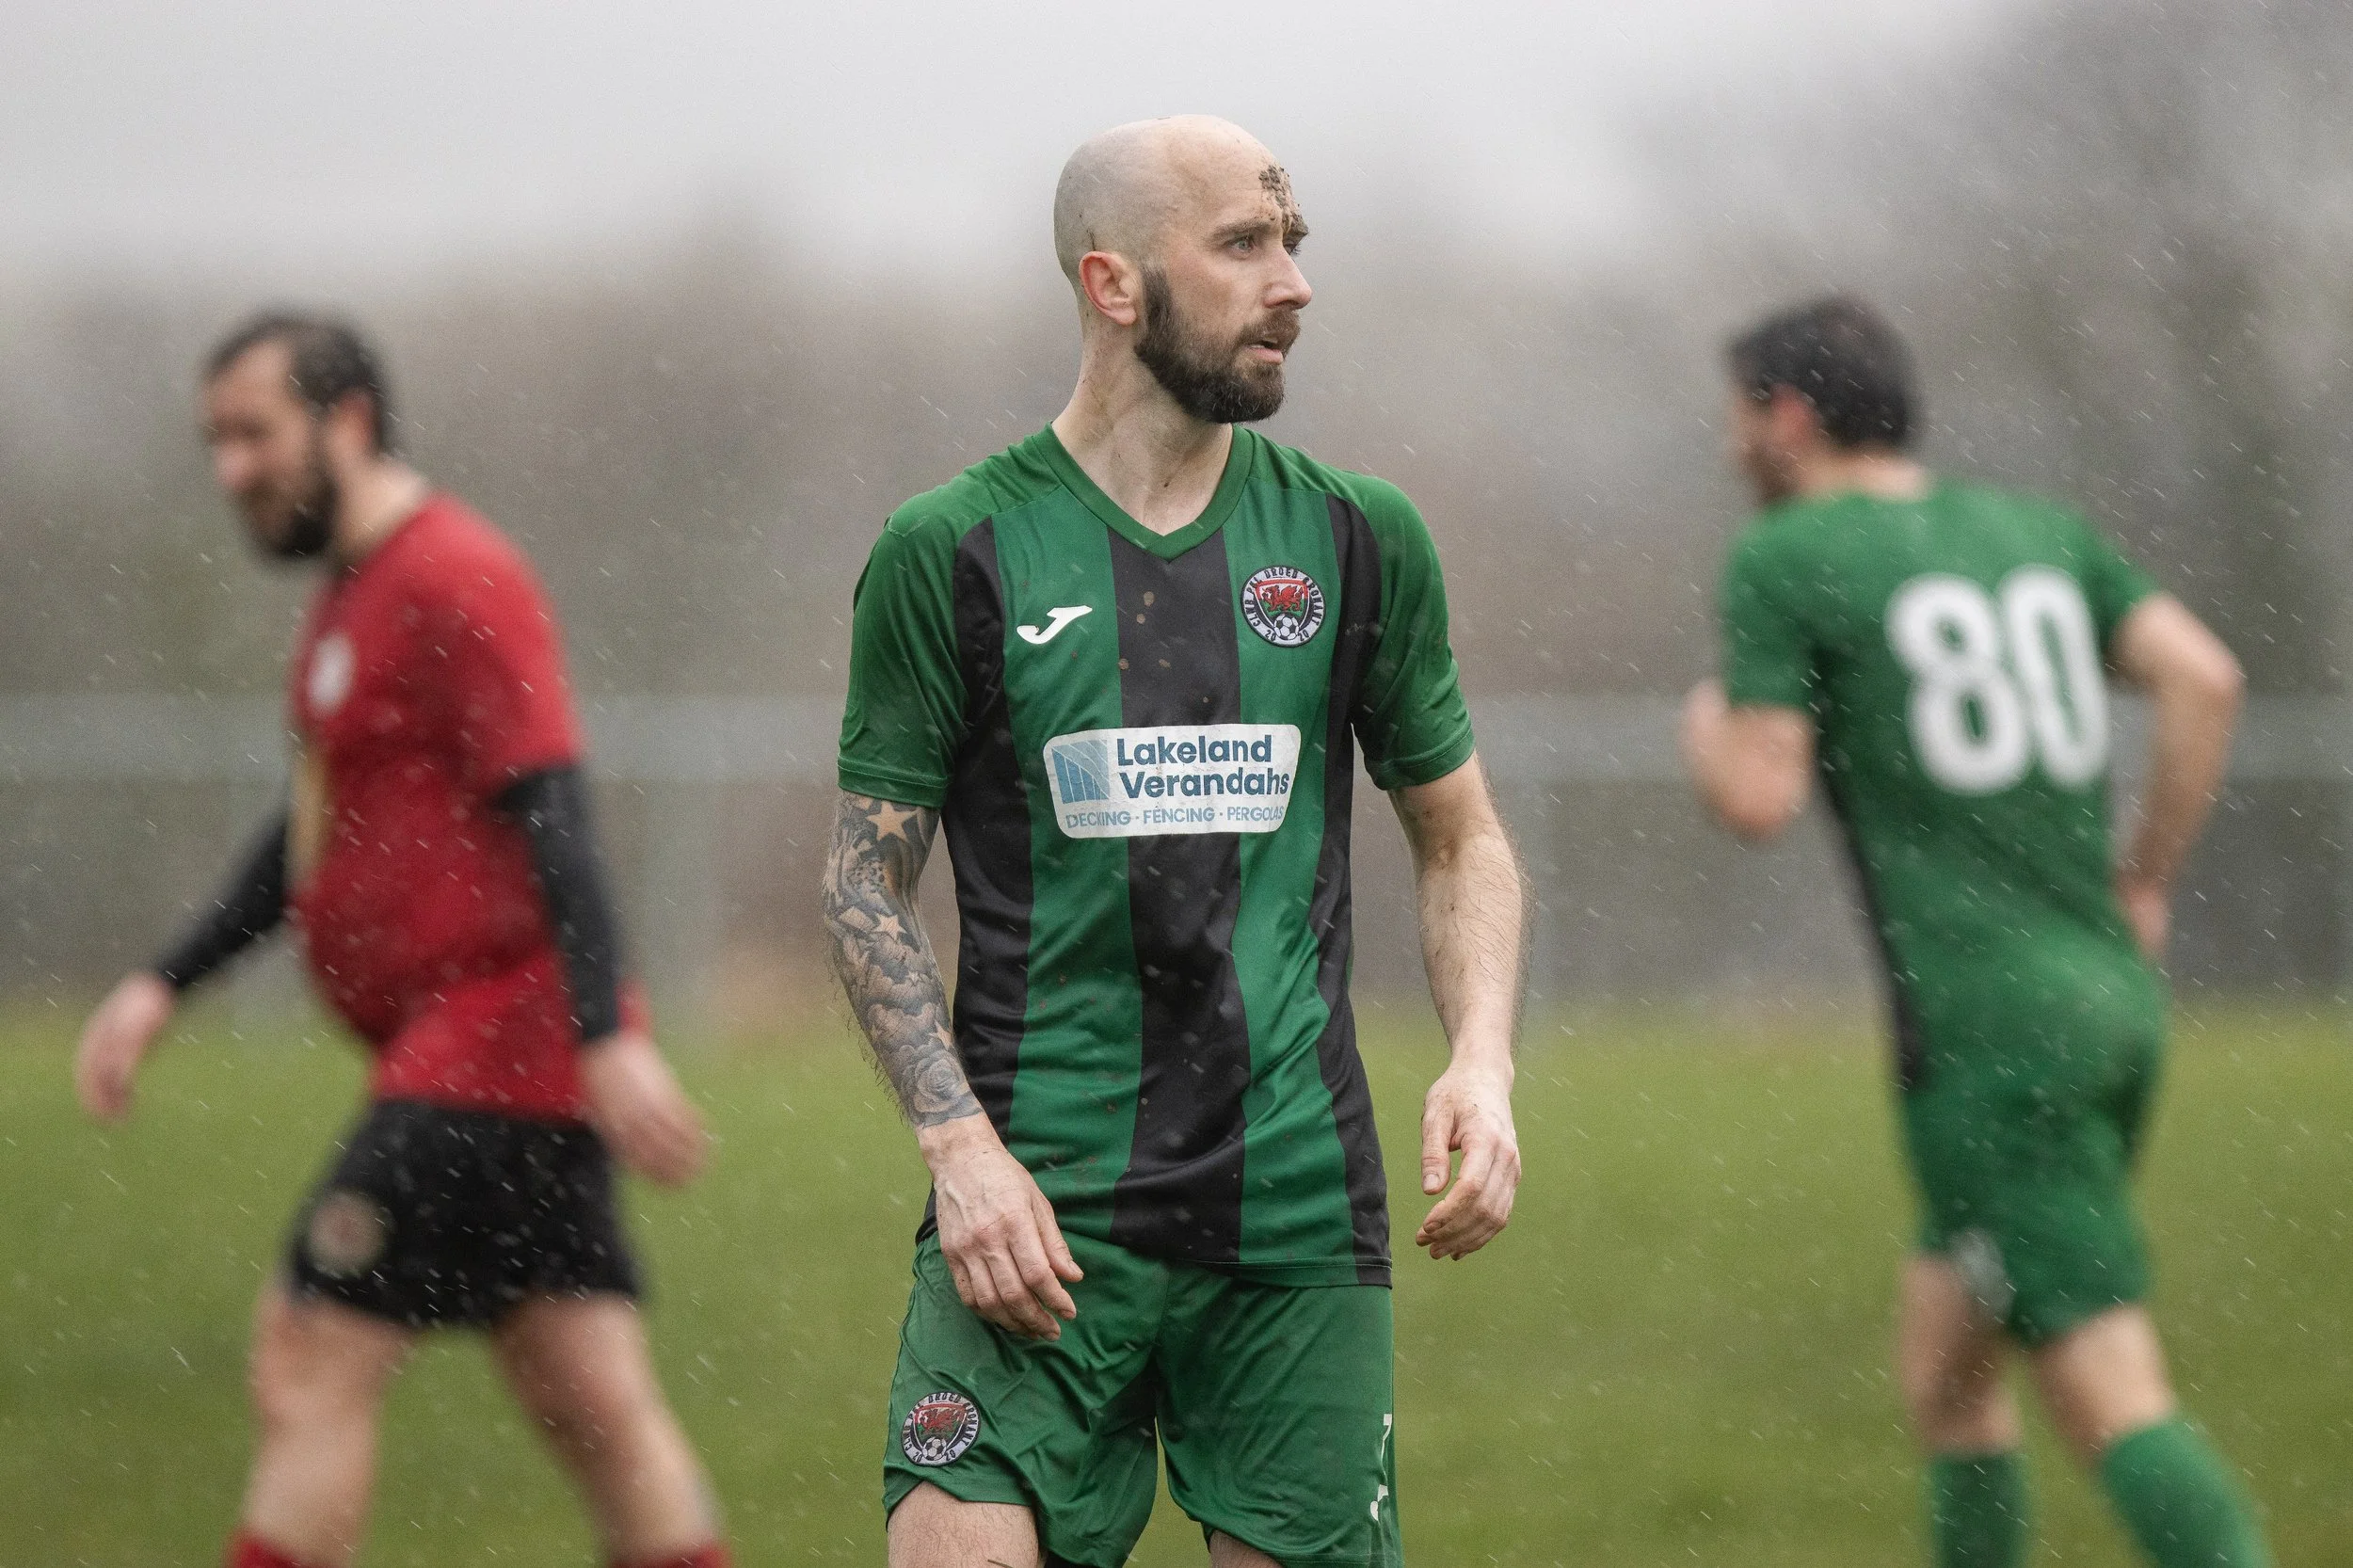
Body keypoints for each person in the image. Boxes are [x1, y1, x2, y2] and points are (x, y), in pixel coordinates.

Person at [823, 116, 1528, 1568]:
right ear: (1115, 283)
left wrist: (1485, 1059)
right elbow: (863, 883)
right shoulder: (951, 549)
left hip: (1292, 1215)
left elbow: (1458, 837)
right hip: (1034, 1214)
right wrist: (959, 1150)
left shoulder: (1354, 538)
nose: (1294, 284)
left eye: (1297, 244)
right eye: (1245, 244)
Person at [72, 313, 730, 1568]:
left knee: (308, 1351)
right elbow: (315, 825)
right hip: (498, 1053)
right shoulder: (354, 597)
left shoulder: (453, 575)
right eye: (215, 438)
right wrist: (164, 982)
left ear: (351, 420)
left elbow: (557, 802)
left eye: (254, 433)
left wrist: (605, 1035)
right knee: (592, 1397)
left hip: (492, 1043)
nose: (231, 469)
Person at [1682, 296, 2269, 1568]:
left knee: (2111, 1388)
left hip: (1989, 1036)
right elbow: (2201, 675)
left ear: (1788, 418)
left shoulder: (1788, 557)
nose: (1729, 450)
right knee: (1948, 1372)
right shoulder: (2033, 530)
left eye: (1737, 421)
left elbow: (1755, 795)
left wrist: (1707, 711)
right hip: (2102, 998)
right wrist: (2146, 875)